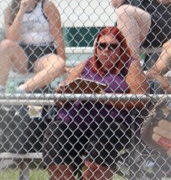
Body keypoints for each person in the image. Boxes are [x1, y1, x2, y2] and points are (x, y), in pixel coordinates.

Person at [42, 26, 148, 180]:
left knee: (98, 159)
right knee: (55, 130)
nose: (106, 50)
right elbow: (60, 100)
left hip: (110, 124)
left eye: (112, 46)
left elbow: (141, 99)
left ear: (121, 48)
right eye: (102, 45)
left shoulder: (130, 66)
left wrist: (103, 97)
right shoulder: (85, 65)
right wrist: (61, 92)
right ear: (96, 48)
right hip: (73, 122)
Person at [0, 0, 66, 93]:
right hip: (23, 55)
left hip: (45, 53)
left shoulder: (46, 6)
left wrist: (63, 63)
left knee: (59, 63)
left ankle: (21, 90)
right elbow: (11, 38)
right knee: (5, 44)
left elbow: (58, 37)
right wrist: (21, 10)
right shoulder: (11, 10)